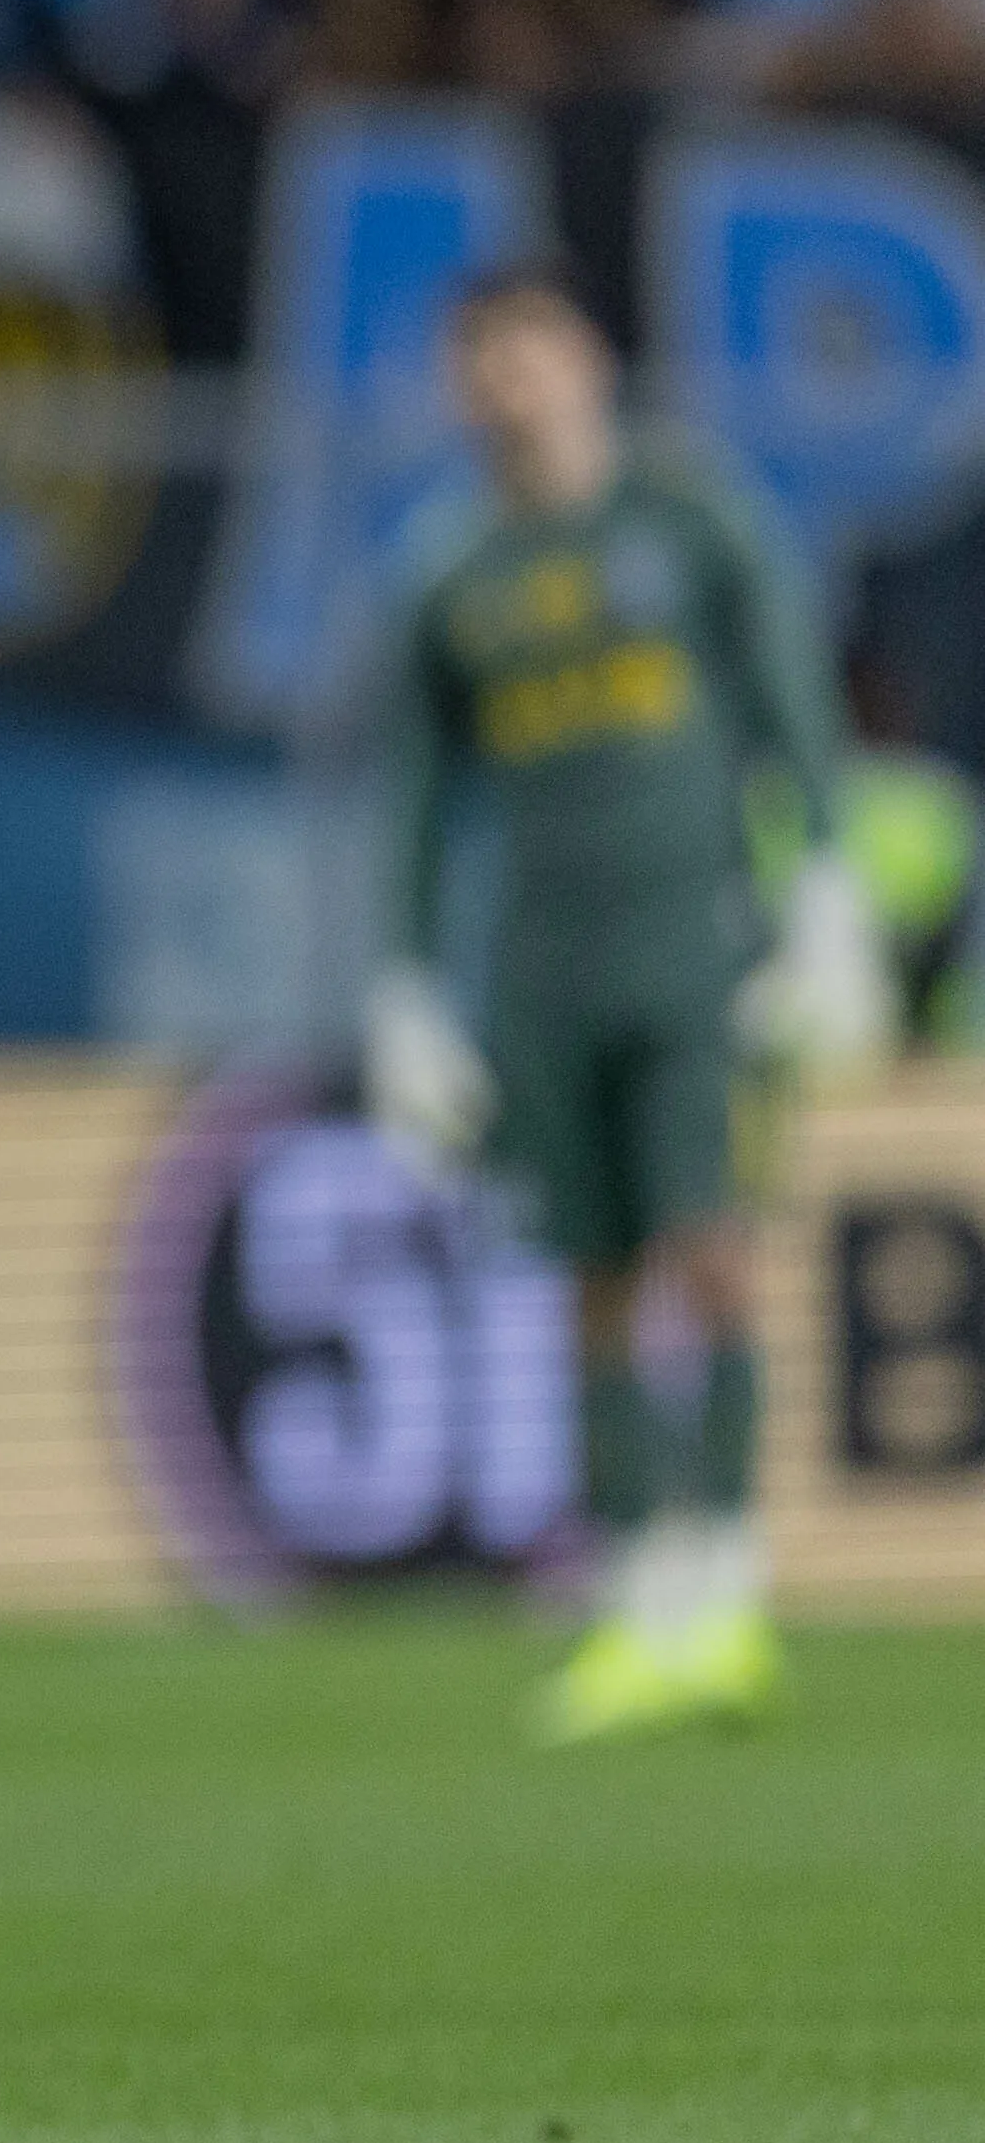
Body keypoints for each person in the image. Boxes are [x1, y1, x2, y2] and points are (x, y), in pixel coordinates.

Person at [366, 264, 888, 1746]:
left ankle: (727, 1583)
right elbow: (421, 795)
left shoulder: (688, 520)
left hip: (693, 943)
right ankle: (632, 1597)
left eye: (525, 350)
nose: (505, 384)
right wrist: (407, 987)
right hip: (543, 965)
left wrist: (825, 885)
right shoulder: (451, 573)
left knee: (711, 1249)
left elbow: (787, 697)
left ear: (586, 358)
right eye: (479, 360)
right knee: (588, 1280)